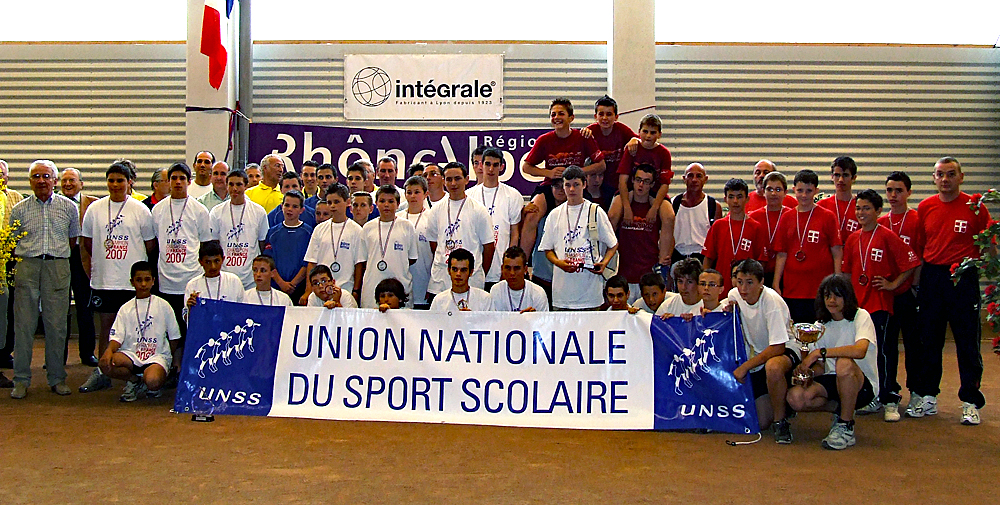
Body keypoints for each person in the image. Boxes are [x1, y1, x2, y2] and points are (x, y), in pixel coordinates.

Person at [909, 156, 990, 425]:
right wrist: (918, 284)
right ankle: (928, 395)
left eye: (951, 174)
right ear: (934, 178)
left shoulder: (975, 207)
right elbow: (921, 248)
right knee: (930, 340)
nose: (945, 179)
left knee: (967, 342)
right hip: (933, 278)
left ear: (961, 177)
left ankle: (970, 401)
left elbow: (988, 244)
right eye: (940, 174)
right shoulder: (925, 207)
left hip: (963, 279)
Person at [840, 189, 920, 420]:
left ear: (878, 211)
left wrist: (892, 284)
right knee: (863, 354)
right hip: (858, 308)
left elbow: (911, 262)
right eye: (858, 208)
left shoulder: (887, 236)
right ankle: (871, 396)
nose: (861, 213)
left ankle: (890, 398)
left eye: (866, 208)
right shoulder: (853, 239)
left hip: (880, 305)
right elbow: (847, 273)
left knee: (884, 352)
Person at [78, 161, 157, 394]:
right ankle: (103, 372)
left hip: (131, 282)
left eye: (120, 180)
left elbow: (150, 245)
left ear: (129, 182)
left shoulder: (140, 210)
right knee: (107, 327)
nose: (115, 185)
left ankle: (137, 373)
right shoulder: (95, 209)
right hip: (105, 279)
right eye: (111, 180)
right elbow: (88, 243)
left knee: (136, 327)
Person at [8, 160, 81, 399]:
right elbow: (13, 241)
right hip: (27, 266)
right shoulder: (19, 209)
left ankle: (57, 378)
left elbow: (72, 241)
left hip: (57, 266)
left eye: (46, 176)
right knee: (24, 325)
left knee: (57, 325)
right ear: (30, 181)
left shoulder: (69, 207)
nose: (41, 181)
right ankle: (21, 380)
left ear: (55, 181)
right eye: (36, 176)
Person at [786, 274, 879, 450]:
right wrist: (808, 372)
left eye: (837, 295)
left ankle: (846, 424)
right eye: (827, 296)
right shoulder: (820, 324)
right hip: (832, 379)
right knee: (796, 398)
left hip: (861, 383)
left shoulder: (861, 316)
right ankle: (841, 410)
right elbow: (821, 367)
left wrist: (820, 352)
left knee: (843, 363)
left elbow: (860, 351)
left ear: (847, 297)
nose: (832, 300)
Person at [151, 162, 212, 383]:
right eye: (174, 178)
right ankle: (173, 369)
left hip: (191, 279)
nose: (178, 182)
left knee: (191, 329)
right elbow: (154, 243)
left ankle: (191, 370)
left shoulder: (199, 210)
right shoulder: (157, 210)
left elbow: (206, 244)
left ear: (189, 181)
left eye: (182, 178)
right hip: (166, 280)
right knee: (170, 329)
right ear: (168, 182)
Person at [726, 259, 797, 438]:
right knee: (762, 421)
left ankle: (780, 421)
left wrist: (745, 367)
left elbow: (778, 347)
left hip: (785, 349)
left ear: (761, 282)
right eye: (740, 282)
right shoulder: (734, 295)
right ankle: (780, 403)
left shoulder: (771, 302)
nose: (743, 288)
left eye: (749, 283)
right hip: (758, 354)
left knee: (773, 367)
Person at [878, 171, 925, 422]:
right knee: (886, 347)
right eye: (889, 190)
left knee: (914, 345)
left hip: (909, 293)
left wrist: (914, 286)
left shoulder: (916, 220)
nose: (893, 195)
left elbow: (920, 257)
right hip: (886, 295)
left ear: (909, 192)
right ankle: (889, 394)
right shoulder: (881, 222)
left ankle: (917, 392)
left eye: (899, 190)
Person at [98, 261, 181, 402]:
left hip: (155, 357)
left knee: (153, 381)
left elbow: (174, 337)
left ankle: (152, 381)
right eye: (139, 280)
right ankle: (134, 381)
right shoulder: (125, 308)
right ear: (132, 282)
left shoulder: (163, 305)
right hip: (131, 355)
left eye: (147, 280)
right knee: (106, 364)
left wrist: (167, 357)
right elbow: (117, 337)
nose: (143, 284)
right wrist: (108, 351)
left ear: (153, 281)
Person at [539, 166, 618, 311]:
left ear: (584, 184)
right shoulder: (554, 215)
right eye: (567, 185)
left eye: (576, 184)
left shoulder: (596, 211)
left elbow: (613, 244)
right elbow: (547, 249)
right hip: (562, 295)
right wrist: (559, 263)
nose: (571, 189)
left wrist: (604, 263)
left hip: (591, 294)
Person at [772, 169, 843, 324]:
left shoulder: (828, 216)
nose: (804, 195)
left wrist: (837, 281)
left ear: (816, 191)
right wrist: (776, 283)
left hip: (819, 288)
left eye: (809, 191)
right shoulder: (786, 218)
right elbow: (782, 254)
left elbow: (837, 252)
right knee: (795, 331)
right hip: (792, 289)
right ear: (793, 190)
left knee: (819, 330)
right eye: (800, 191)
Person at [425, 162, 495, 302]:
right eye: (449, 179)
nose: (453, 183)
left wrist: (475, 271)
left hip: (471, 281)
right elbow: (433, 244)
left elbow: (489, 247)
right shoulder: (436, 210)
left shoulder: (478, 210)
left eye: (457, 178)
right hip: (440, 280)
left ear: (467, 179)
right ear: (443, 181)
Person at [609, 163, 675, 303]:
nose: (641, 185)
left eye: (646, 182)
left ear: (652, 185)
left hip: (648, 278)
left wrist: (665, 258)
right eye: (638, 180)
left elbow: (670, 234)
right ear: (632, 180)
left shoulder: (658, 209)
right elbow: (609, 227)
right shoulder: (621, 205)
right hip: (624, 275)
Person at [467, 148, 522, 292]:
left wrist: (508, 265)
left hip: (500, 269)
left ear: (501, 167)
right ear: (481, 165)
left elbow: (514, 233)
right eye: (487, 164)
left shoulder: (513, 195)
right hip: (475, 269)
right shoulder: (469, 196)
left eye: (495, 165)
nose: (491, 169)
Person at [59, 167, 99, 367]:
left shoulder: (93, 204)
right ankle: (57, 356)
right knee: (58, 310)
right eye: (64, 180)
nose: (68, 184)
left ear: (81, 184)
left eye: (72, 180)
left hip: (84, 259)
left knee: (85, 309)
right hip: (60, 259)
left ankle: (87, 353)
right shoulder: (54, 204)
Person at [303, 184, 365, 305]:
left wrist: (356, 291)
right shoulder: (319, 229)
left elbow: (358, 264)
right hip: (321, 292)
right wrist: (308, 290)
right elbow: (312, 262)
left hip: (345, 289)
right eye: (329, 202)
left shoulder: (357, 230)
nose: (332, 206)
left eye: (336, 202)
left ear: (347, 202)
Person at [702, 178, 766, 293]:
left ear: (747, 199)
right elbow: (708, 258)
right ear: (725, 199)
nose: (735, 201)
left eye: (739, 197)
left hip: (747, 289)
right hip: (721, 287)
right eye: (731, 197)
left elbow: (760, 262)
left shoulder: (756, 227)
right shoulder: (718, 226)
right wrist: (706, 282)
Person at [360, 185, 419, 309]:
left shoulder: (407, 226)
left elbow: (412, 258)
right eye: (382, 201)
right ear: (376, 203)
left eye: (391, 201)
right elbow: (364, 260)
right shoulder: (368, 227)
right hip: (372, 285)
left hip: (400, 285)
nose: (386, 205)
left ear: (398, 204)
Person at [210, 168, 269, 289]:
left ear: (246, 186)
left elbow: (262, 243)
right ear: (226, 186)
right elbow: (214, 244)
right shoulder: (216, 212)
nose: (234, 189)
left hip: (250, 277)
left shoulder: (259, 212)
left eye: (239, 184)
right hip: (226, 275)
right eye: (231, 184)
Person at [616, 114, 672, 223]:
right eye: (645, 131)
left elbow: (665, 184)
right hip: (631, 190)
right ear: (639, 132)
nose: (648, 136)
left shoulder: (664, 153)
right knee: (613, 214)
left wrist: (654, 208)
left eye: (653, 132)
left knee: (669, 217)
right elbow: (622, 181)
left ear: (659, 135)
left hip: (654, 192)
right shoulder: (632, 149)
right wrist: (627, 208)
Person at [264, 190, 313, 305]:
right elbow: (268, 261)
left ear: (302, 210)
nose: (290, 209)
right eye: (287, 205)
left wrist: (293, 283)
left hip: (299, 288)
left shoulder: (308, 232)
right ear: (282, 207)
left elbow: (308, 262)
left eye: (295, 206)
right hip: (277, 287)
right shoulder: (273, 232)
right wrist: (281, 283)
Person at [586, 95, 639, 195]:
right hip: (597, 183)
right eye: (601, 114)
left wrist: (635, 139)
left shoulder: (622, 130)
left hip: (617, 184)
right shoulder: (589, 132)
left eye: (609, 114)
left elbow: (641, 140)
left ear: (616, 117)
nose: (605, 118)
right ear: (595, 116)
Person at [0, 159, 24, 377]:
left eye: (2, 173)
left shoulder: (16, 198)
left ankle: (5, 351)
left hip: (10, 261)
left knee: (10, 308)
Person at [671, 163, 722, 264]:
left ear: (705, 179)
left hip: (703, 260)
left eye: (698, 176)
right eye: (690, 176)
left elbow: (717, 241)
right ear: (684, 179)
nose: (694, 180)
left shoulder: (714, 206)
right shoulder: (673, 204)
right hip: (677, 258)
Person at [748, 171, 793, 286]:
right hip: (759, 272)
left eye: (778, 189)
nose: (773, 193)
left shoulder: (792, 216)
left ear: (785, 193)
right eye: (769, 189)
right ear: (763, 191)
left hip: (786, 273)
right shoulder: (753, 217)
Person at [183, 241, 246, 322]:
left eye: (216, 261)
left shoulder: (234, 281)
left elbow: (244, 311)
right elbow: (187, 320)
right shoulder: (193, 285)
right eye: (208, 262)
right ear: (200, 262)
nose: (213, 266)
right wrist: (191, 309)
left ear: (223, 259)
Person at [400, 176, 433, 309]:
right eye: (409, 192)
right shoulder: (398, 218)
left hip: (424, 280)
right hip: (401, 283)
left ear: (426, 194)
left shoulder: (432, 218)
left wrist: (432, 284)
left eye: (417, 192)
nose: (413, 196)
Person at [489, 246, 549, 312]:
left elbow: (543, 318)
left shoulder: (538, 293)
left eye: (516, 268)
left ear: (525, 269)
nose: (512, 273)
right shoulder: (496, 290)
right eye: (508, 268)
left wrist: (533, 316)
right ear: (502, 269)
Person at [817, 156, 860, 241]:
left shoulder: (861, 206)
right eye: (837, 175)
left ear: (854, 178)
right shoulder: (821, 206)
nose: (840, 180)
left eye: (845, 175)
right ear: (832, 177)